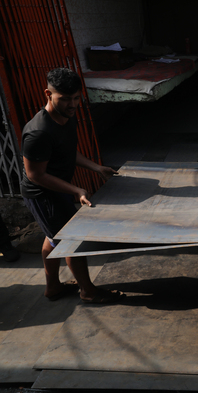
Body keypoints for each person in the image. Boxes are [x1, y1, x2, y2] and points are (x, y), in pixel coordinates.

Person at [21, 67, 125, 303]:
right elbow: (35, 174)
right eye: (65, 99)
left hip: (59, 189)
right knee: (71, 240)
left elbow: (67, 152)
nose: (72, 104)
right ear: (48, 94)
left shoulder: (67, 117)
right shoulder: (38, 132)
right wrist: (76, 190)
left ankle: (53, 287)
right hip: (43, 195)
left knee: (53, 237)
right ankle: (88, 291)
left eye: (76, 98)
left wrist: (96, 167)